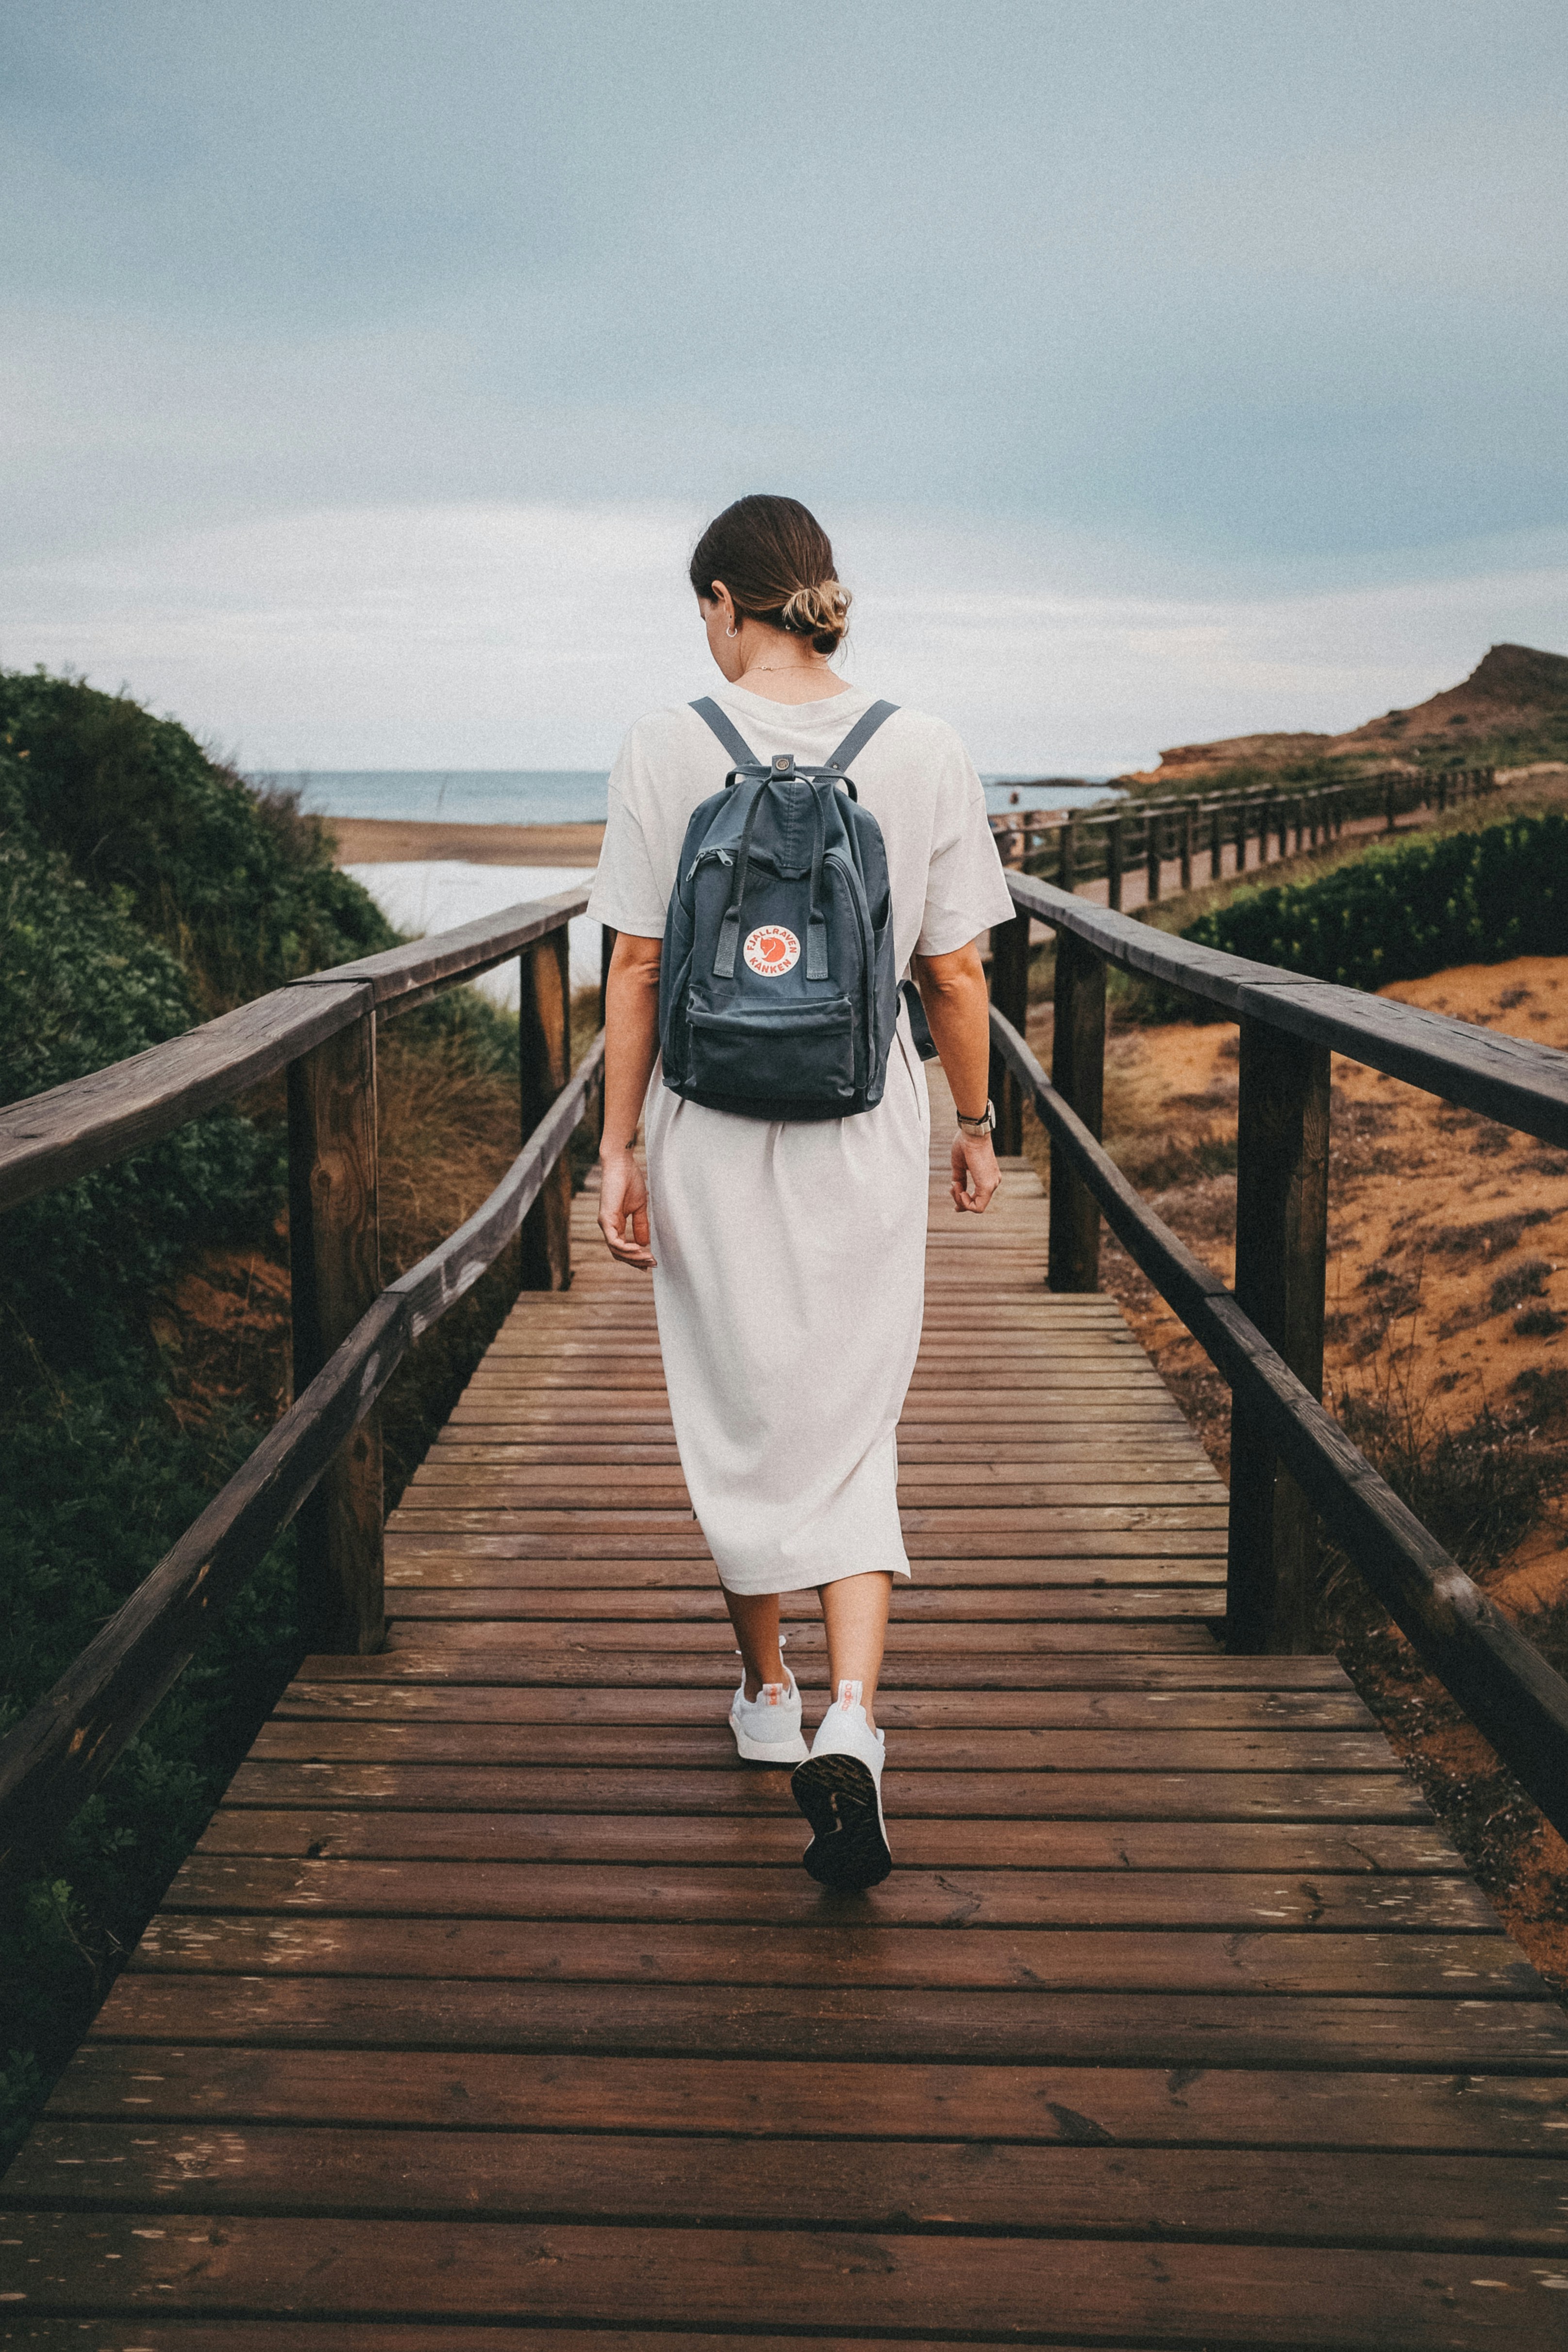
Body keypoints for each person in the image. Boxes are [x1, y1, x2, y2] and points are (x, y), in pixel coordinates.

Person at [586, 493, 1016, 1888]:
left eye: (702, 611)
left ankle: (767, 1696)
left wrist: (616, 1147)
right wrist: (975, 1124)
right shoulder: (924, 744)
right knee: (848, 1413)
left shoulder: (665, 744)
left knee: (741, 1408)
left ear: (725, 602)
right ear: (820, 596)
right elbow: (955, 973)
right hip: (862, 1124)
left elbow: (636, 967)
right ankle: (853, 1715)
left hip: (708, 1127)